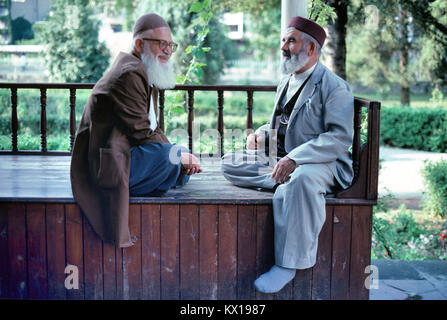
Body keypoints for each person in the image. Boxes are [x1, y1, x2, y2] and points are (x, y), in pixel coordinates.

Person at [221, 16, 354, 293]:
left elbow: (339, 138)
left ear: (311, 49)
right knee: (229, 164)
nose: (284, 46)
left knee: (302, 180)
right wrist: (259, 134)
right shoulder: (287, 81)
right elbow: (281, 124)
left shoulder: (335, 87)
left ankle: (287, 265)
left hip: (321, 161)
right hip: (281, 157)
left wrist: (296, 159)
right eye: (283, 40)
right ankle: (284, 184)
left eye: (291, 40)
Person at [71, 13, 202, 248]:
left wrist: (179, 154)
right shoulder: (129, 74)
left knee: (176, 153)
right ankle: (171, 172)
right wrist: (176, 157)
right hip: (103, 168)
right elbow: (142, 133)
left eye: (171, 45)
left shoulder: (141, 71)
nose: (168, 51)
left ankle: (172, 170)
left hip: (124, 154)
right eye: (161, 44)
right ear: (139, 44)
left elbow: (153, 128)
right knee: (170, 157)